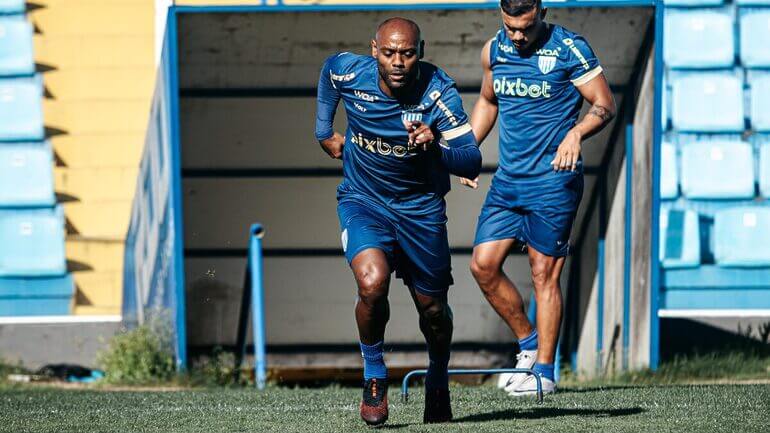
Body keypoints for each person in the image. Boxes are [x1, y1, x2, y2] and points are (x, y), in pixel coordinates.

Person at [314, 17, 482, 426]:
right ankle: (374, 375)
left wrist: (436, 145)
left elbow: (471, 159)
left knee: (434, 312)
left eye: (407, 53)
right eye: (389, 53)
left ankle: (438, 379)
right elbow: (328, 73)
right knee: (371, 283)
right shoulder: (350, 71)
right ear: (375, 50)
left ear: (419, 52)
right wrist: (323, 130)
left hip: (420, 211)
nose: (398, 62)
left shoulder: (439, 92)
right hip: (364, 200)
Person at [463, 0, 616, 396]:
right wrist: (468, 152)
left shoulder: (570, 48)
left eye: (526, 28)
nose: (517, 36)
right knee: (482, 266)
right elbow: (488, 101)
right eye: (510, 27)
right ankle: (528, 346)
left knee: (543, 274)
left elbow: (604, 104)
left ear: (541, 14)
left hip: (553, 183)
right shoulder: (494, 49)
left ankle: (545, 373)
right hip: (508, 183)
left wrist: (576, 134)